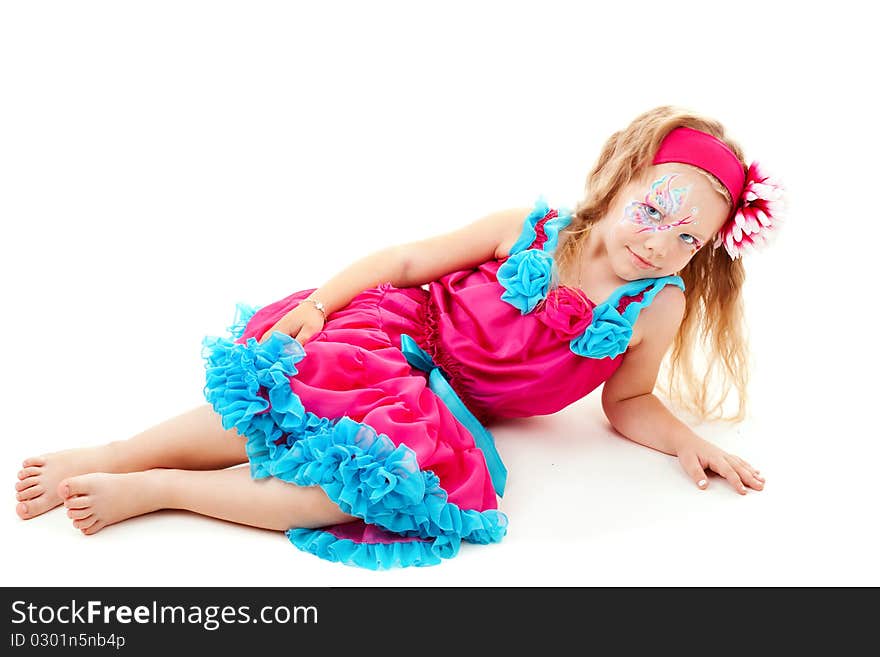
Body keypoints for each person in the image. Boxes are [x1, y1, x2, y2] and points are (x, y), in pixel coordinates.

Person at [14, 105, 783, 569]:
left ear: (705, 250)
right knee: (286, 399)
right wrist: (322, 303)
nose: (658, 242)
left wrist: (685, 439)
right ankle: (115, 454)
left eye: (686, 237)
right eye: (653, 210)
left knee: (350, 487)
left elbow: (630, 398)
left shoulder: (656, 308)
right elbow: (409, 260)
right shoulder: (533, 232)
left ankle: (160, 491)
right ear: (621, 182)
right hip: (402, 333)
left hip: (442, 404)